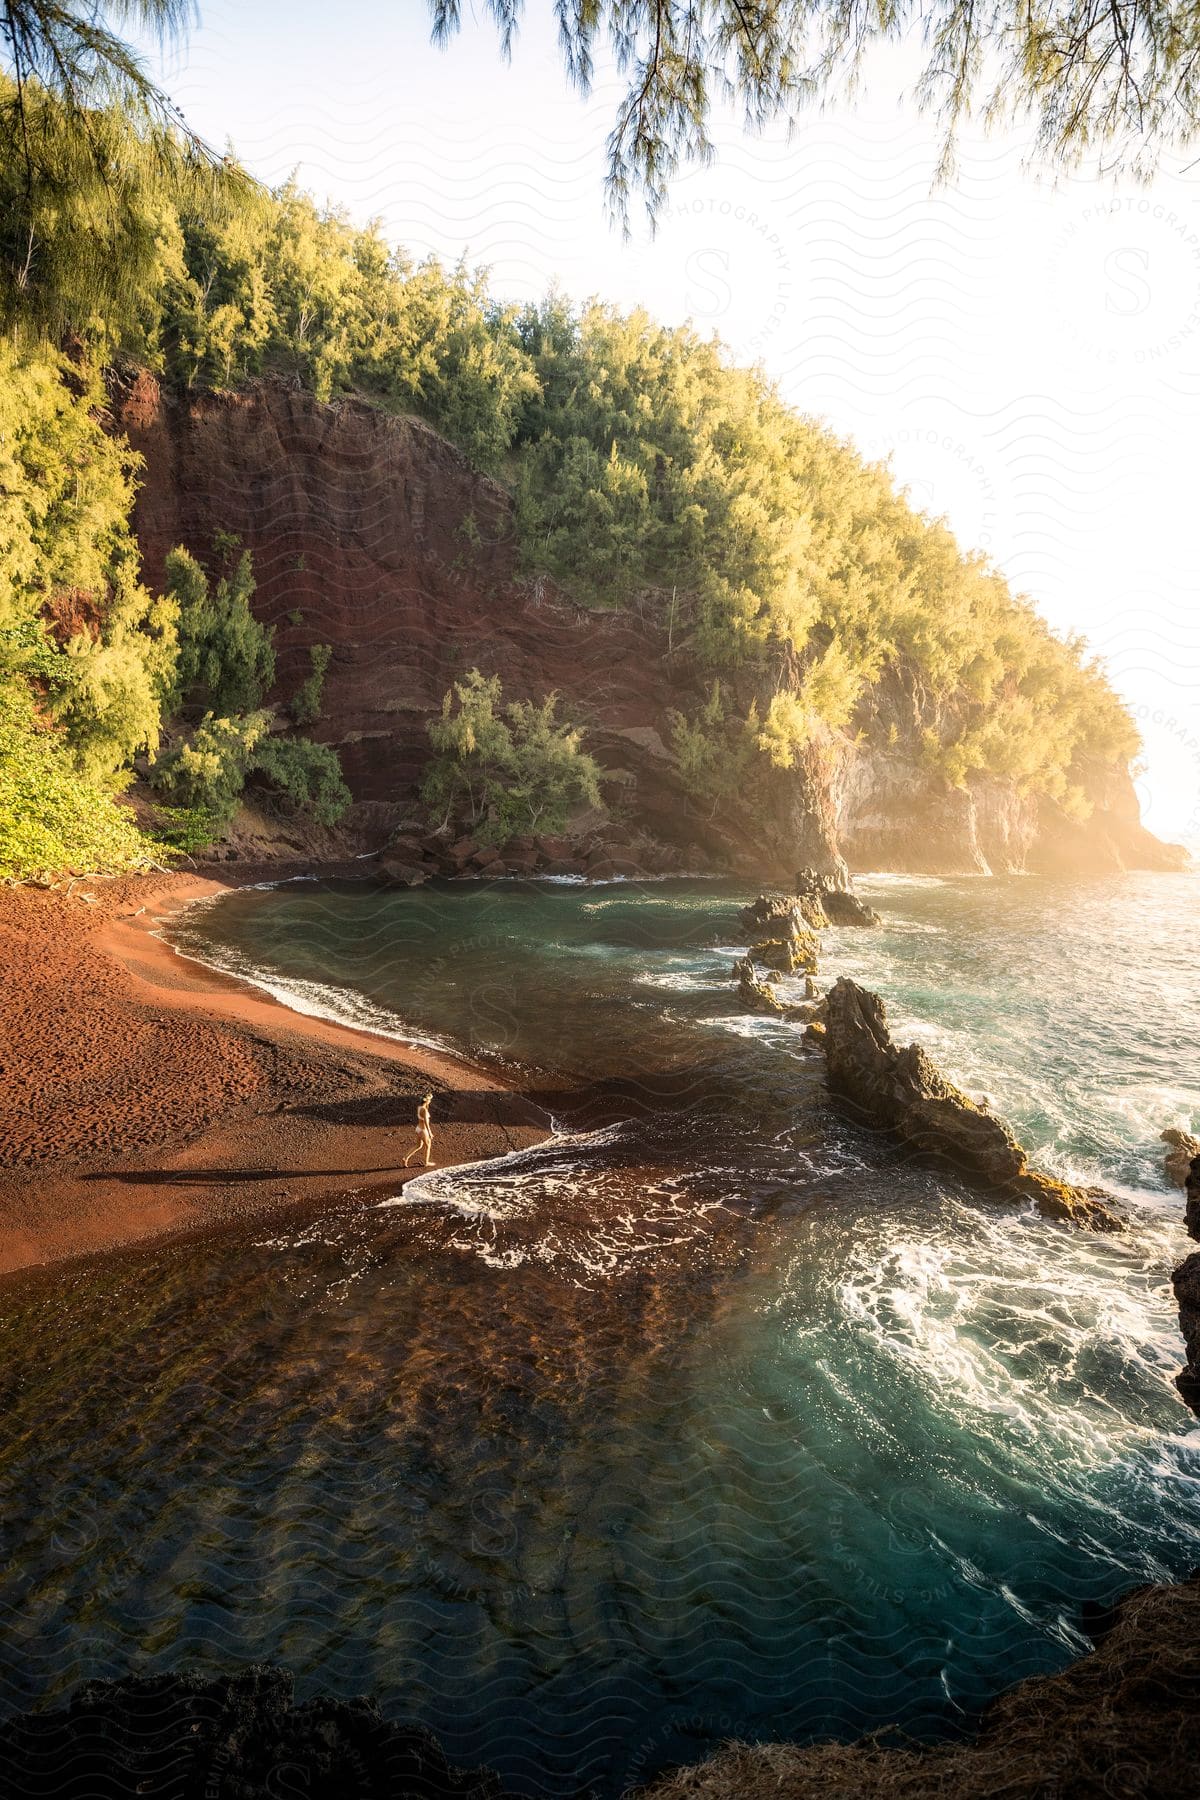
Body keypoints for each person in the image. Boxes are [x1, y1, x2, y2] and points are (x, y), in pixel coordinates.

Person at [403, 1092, 435, 1168]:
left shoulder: (419, 1107)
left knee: (418, 1145)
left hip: (418, 1128)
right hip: (423, 1130)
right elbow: (426, 1123)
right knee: (428, 1146)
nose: (430, 1101)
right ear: (427, 1101)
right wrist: (430, 1132)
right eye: (430, 1100)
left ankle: (405, 1158)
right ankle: (426, 1162)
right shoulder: (425, 1110)